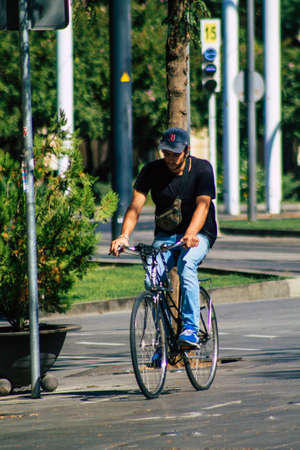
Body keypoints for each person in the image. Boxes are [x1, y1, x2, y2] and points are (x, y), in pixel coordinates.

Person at [110, 127, 217, 348]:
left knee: (187, 264)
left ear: (186, 150)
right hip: (167, 234)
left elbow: (203, 205)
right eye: (165, 152)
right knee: (152, 279)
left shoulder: (202, 169)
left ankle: (190, 329)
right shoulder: (151, 170)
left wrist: (190, 234)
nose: (169, 158)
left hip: (198, 233)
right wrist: (124, 236)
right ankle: (164, 341)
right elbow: (135, 206)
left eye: (174, 153)